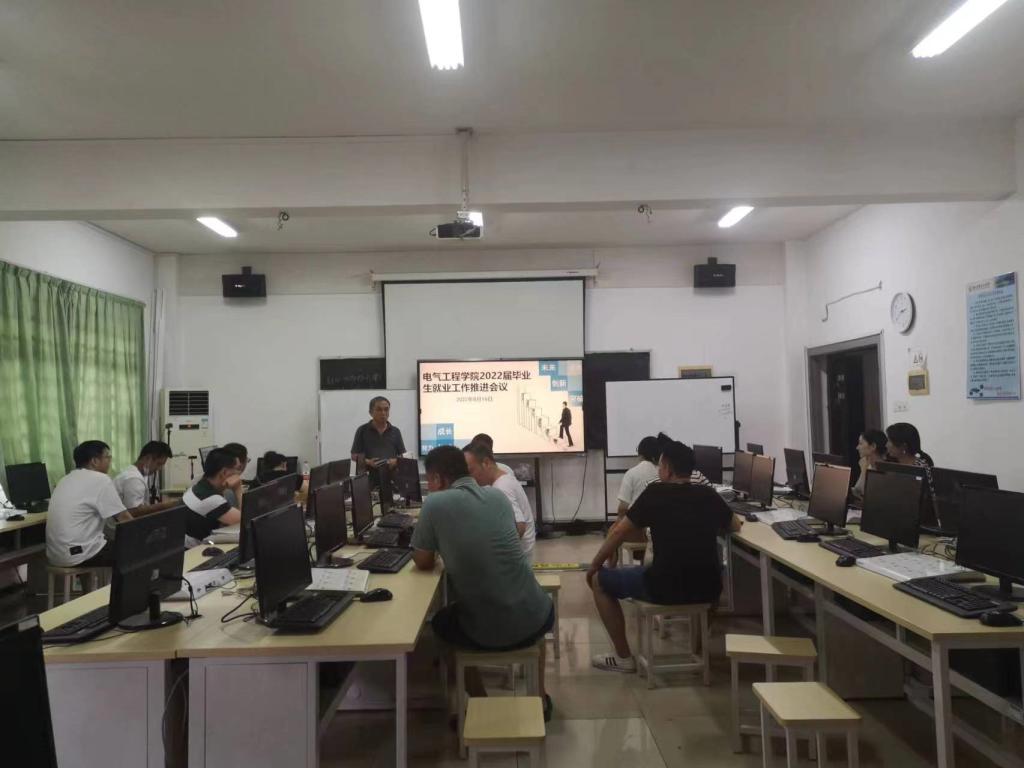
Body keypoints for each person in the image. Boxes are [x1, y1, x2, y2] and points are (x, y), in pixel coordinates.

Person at [411, 446, 554, 720]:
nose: (429, 486)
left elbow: (423, 561)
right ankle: (540, 698)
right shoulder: (496, 496)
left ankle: (481, 704)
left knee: (439, 627)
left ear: (438, 479)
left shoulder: (435, 504)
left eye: (429, 480)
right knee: (530, 611)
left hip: (492, 630)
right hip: (539, 615)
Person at [586, 440, 742, 673]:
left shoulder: (655, 493)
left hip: (663, 587)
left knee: (599, 581)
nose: (659, 471)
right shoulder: (708, 494)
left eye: (660, 466)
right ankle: (697, 650)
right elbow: (735, 525)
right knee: (709, 576)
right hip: (708, 589)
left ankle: (623, 658)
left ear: (667, 468)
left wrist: (595, 565)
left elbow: (618, 531)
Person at [46, 441, 140, 567]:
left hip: (55, 556)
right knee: (138, 549)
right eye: (107, 457)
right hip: (80, 555)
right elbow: (123, 518)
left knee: (109, 541)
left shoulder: (64, 479)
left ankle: (92, 583)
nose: (110, 461)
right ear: (94, 461)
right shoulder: (100, 479)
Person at [463, 441, 536, 561]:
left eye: (471, 471)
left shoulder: (502, 487)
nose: (470, 478)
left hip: (514, 558)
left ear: (486, 463)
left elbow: (520, 526)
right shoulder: (504, 478)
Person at [182, 447, 243, 540]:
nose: (239, 473)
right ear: (224, 472)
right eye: (237, 469)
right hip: (195, 548)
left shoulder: (199, 486)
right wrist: (238, 488)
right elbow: (246, 522)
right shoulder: (210, 499)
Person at [113, 441, 178, 512]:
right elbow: (134, 511)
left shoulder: (134, 473)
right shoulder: (133, 478)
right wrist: (166, 505)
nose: (159, 469)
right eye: (159, 464)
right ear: (147, 458)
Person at [351, 396, 406, 472]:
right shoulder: (362, 430)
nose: (383, 413)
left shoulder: (395, 431)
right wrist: (369, 462)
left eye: (386, 409)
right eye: (379, 410)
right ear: (370, 412)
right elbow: (354, 456)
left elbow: (403, 456)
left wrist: (395, 461)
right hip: (368, 476)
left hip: (390, 476)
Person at [851, 429, 888, 499]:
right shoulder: (866, 464)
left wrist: (864, 470)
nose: (857, 448)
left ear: (873, 446)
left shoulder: (883, 470)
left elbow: (867, 495)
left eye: (860, 443)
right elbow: (858, 490)